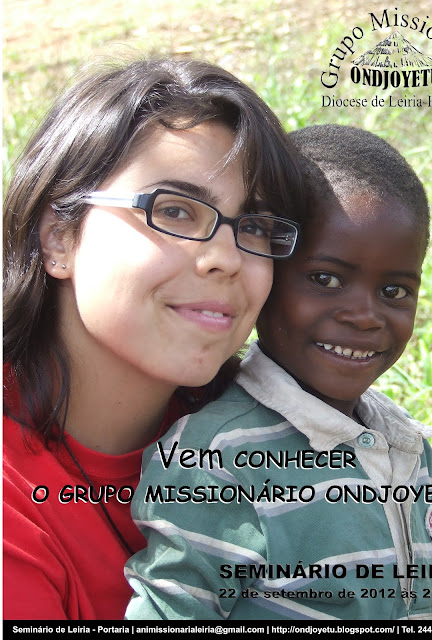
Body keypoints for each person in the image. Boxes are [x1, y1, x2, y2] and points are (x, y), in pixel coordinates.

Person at [124, 124, 432, 621]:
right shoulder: (216, 459)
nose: (365, 316)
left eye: (394, 291)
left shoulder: (401, 440)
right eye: (325, 279)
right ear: (265, 276)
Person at [3, 55, 307, 620]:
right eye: (174, 211)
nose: (225, 257)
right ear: (59, 238)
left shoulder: (278, 440)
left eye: (255, 226)